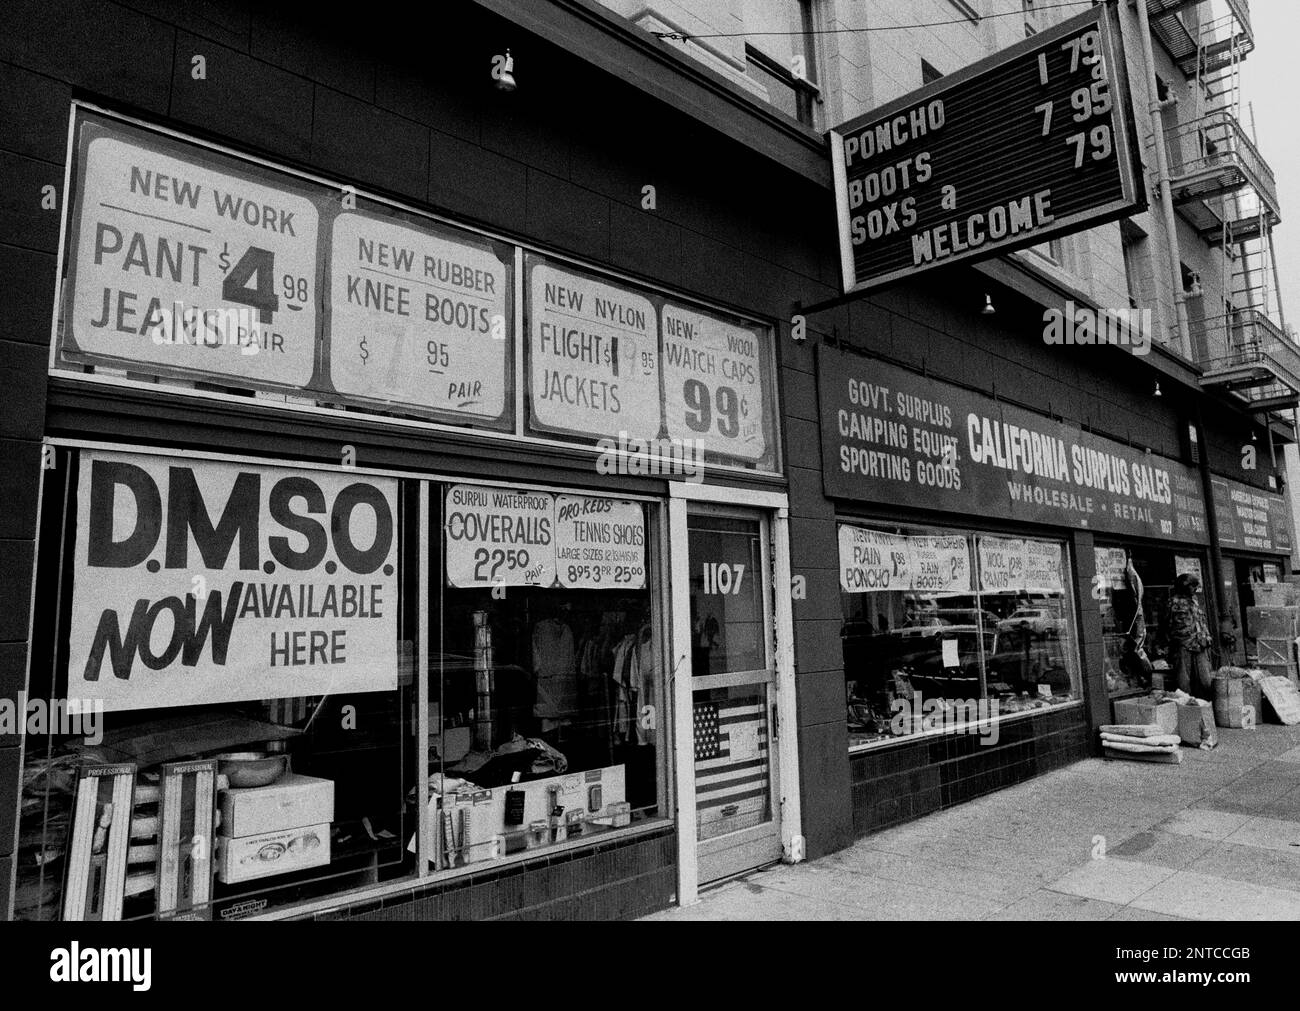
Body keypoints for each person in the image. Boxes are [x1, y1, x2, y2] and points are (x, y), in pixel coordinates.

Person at [1167, 573, 1213, 697]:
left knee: (1205, 679)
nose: (1195, 589)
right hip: (1183, 644)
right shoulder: (1173, 602)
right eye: (1192, 586)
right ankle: (1187, 705)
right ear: (1184, 586)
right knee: (1184, 681)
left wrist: (1206, 637)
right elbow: (1167, 624)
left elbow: (1200, 620)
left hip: (1200, 643)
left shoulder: (1194, 601)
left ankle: (1205, 703)